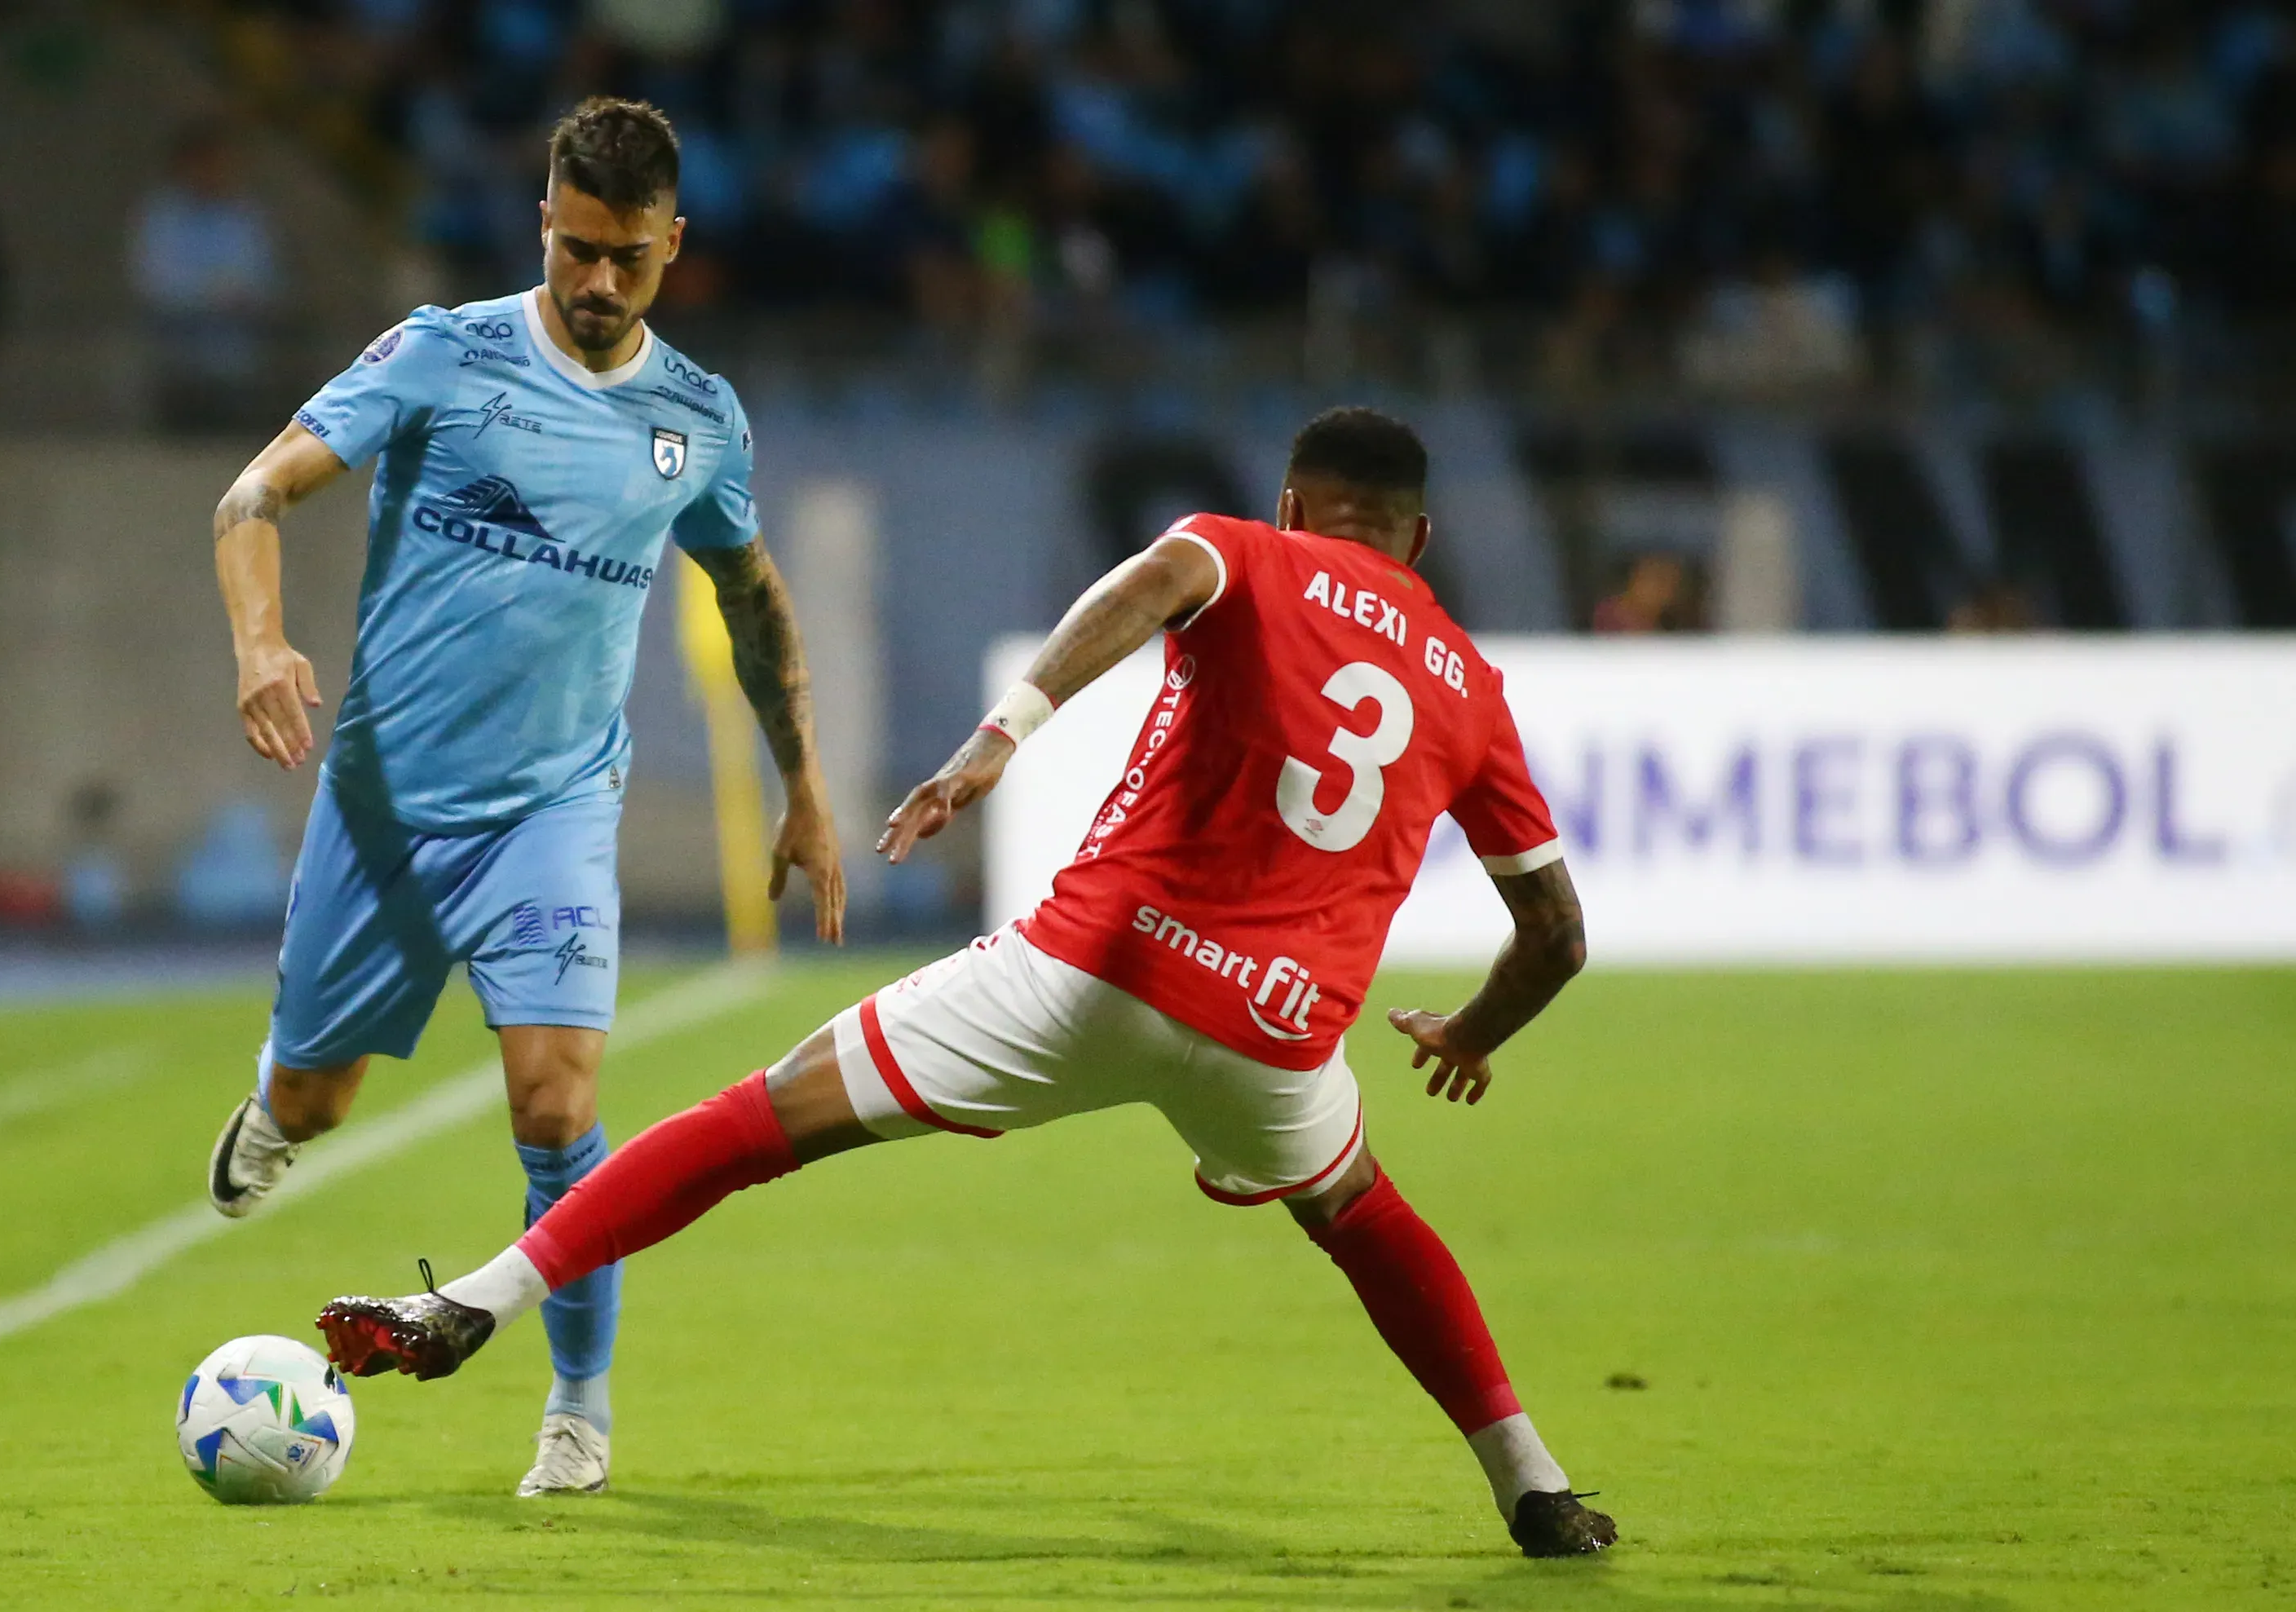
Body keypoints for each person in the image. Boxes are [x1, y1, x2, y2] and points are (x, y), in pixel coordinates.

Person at [317, 408, 1615, 1558]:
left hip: (1094, 970)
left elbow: (1162, 575)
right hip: (1274, 1040)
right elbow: (1552, 930)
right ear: (1419, 536)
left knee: (757, 1121)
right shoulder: (1471, 683)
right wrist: (1465, 1030)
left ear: (1291, 507)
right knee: (1362, 1214)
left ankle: (469, 1302)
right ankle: (1533, 1484)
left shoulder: (1245, 548)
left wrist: (1002, 736)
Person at [205, 97, 845, 1499]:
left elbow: (751, 600)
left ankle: (576, 1406)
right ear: (541, 227)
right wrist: (263, 643)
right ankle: (272, 1104)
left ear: (674, 243)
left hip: (552, 814)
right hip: (382, 808)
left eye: (625, 256)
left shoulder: (698, 419)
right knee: (317, 1100)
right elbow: (254, 497)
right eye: (573, 250)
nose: (597, 283)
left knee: (557, 1108)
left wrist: (803, 786)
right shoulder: (443, 351)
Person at [130, 121, 284, 434]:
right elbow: (156, 286)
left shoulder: (246, 217)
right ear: (183, 165)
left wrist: (241, 297)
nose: (214, 171)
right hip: (178, 368)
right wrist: (213, 296)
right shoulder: (162, 218)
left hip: (238, 368)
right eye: (204, 162)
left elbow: (268, 282)